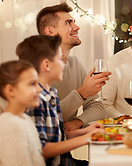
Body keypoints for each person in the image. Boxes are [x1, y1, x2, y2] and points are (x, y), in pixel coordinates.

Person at [16, 35, 104, 166]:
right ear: (46, 65)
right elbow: (42, 149)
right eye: (60, 59)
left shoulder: (51, 95)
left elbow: (58, 138)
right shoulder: (34, 101)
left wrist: (86, 131)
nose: (64, 63)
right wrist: (86, 138)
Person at [36, 3, 111, 130]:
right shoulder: (35, 68)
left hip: (66, 143)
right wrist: (82, 92)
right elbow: (46, 116)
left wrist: (78, 122)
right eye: (68, 23)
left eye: (74, 22)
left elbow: (98, 107)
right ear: (50, 31)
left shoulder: (74, 63)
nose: (76, 27)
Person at [0, 60, 45, 166]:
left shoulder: (25, 119)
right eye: (32, 84)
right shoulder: (10, 125)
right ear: (10, 90)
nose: (39, 89)